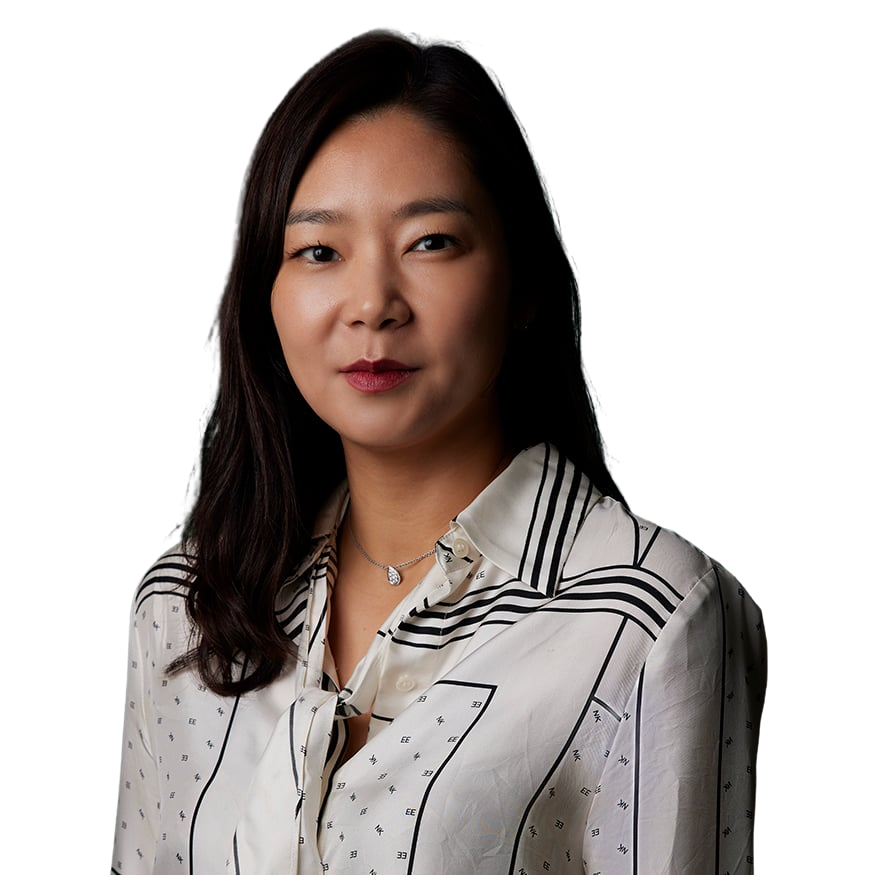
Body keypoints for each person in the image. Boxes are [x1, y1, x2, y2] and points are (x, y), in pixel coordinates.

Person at [111, 27, 767, 874]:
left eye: (430, 242)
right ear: (263, 298)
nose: (372, 303)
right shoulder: (183, 604)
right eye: (318, 251)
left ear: (522, 283)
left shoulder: (650, 616)